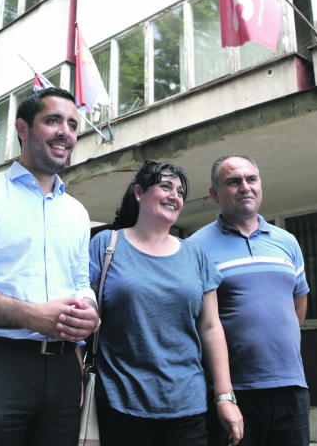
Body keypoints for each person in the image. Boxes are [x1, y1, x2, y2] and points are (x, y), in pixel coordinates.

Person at [0, 86, 98, 446]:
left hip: (63, 371)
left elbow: (80, 282)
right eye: (53, 120)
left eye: (72, 125)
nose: (65, 132)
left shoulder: (77, 212)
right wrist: (31, 316)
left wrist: (88, 310)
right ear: (22, 128)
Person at [89, 160, 244, 446]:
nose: (175, 196)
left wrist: (225, 397)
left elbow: (211, 327)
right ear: (139, 192)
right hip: (120, 402)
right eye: (165, 187)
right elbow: (83, 321)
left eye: (180, 192)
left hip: (187, 403)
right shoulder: (106, 245)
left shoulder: (196, 255)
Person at [191, 155, 311, 446]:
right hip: (232, 392)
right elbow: (195, 320)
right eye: (233, 181)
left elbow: (298, 306)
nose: (245, 187)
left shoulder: (287, 242)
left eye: (251, 179)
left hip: (291, 387)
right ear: (214, 194)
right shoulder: (195, 247)